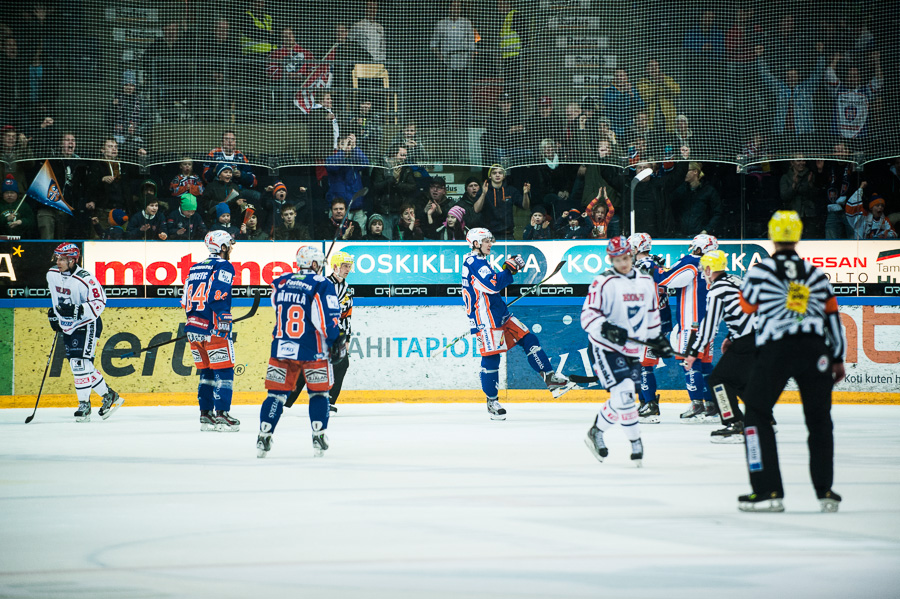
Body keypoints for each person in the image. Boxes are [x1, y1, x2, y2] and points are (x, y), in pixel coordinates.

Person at [736, 211, 846, 513]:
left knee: (757, 414)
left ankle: (767, 490)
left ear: (772, 236)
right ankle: (825, 491)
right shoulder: (813, 272)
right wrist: (837, 357)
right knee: (819, 420)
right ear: (798, 236)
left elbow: (746, 305)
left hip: (776, 350)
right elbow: (832, 317)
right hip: (815, 350)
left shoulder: (761, 271)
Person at [461, 228, 575, 421]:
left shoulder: (480, 260)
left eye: (490, 240)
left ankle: (549, 377)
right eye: (486, 240)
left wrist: (509, 270)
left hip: (499, 313)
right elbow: (493, 284)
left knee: (528, 337)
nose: (490, 243)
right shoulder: (473, 262)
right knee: (492, 359)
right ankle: (492, 401)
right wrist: (510, 268)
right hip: (486, 319)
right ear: (475, 243)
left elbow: (490, 288)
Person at [581, 236, 673, 467]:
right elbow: (587, 316)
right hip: (605, 347)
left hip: (632, 348)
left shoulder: (645, 281)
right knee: (625, 396)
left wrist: (657, 339)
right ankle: (636, 443)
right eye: (617, 259)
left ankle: (596, 431)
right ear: (611, 259)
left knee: (622, 397)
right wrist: (606, 328)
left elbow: (652, 315)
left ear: (631, 256)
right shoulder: (602, 282)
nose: (623, 263)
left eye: (626, 258)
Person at [257, 246, 341, 458]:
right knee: (319, 393)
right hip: (313, 351)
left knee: (275, 395)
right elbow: (324, 319)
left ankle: (264, 434)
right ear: (314, 264)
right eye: (319, 264)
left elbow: (277, 308)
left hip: (282, 348)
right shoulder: (322, 284)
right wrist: (336, 339)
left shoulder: (281, 281)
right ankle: (318, 434)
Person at [682, 250, 756, 443]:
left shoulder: (717, 289)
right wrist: (732, 336)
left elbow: (708, 326)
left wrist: (692, 352)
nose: (703, 274)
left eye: (703, 270)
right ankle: (763, 419)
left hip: (747, 340)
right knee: (738, 381)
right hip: (761, 337)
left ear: (708, 269)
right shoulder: (737, 280)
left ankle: (734, 424)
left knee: (717, 380)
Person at [46, 242, 123, 422]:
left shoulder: (86, 278)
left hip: (88, 323)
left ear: (73, 260)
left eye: (63, 259)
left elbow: (100, 302)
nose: (59, 262)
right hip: (68, 325)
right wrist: (55, 315)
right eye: (57, 258)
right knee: (80, 365)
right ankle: (109, 396)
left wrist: (77, 310)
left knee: (79, 364)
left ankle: (84, 405)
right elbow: (56, 298)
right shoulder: (51, 274)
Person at [181, 230, 240, 433]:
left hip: (193, 327)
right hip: (213, 328)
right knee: (224, 370)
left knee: (206, 371)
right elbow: (217, 296)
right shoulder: (224, 266)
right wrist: (223, 318)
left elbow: (184, 301)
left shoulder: (194, 268)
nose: (231, 248)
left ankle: (205, 414)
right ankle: (222, 414)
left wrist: (195, 320)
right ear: (222, 247)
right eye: (229, 245)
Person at [656, 234, 719, 422]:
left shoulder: (692, 262)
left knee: (689, 363)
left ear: (700, 248)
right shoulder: (715, 266)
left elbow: (667, 280)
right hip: (709, 325)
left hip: (691, 324)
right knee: (705, 364)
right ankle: (711, 405)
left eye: (695, 247)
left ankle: (697, 403)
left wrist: (655, 269)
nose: (692, 250)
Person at [627, 233, 672, 423]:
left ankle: (650, 406)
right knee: (641, 364)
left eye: (631, 247)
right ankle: (645, 403)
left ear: (637, 247)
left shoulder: (641, 266)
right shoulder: (657, 264)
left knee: (645, 365)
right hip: (659, 321)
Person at [327, 251, 354, 413]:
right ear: (335, 266)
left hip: (338, 333)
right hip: (320, 331)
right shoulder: (324, 284)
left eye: (349, 266)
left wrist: (347, 338)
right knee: (307, 365)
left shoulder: (346, 288)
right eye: (345, 266)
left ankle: (329, 399)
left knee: (343, 362)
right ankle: (285, 398)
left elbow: (347, 315)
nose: (347, 269)